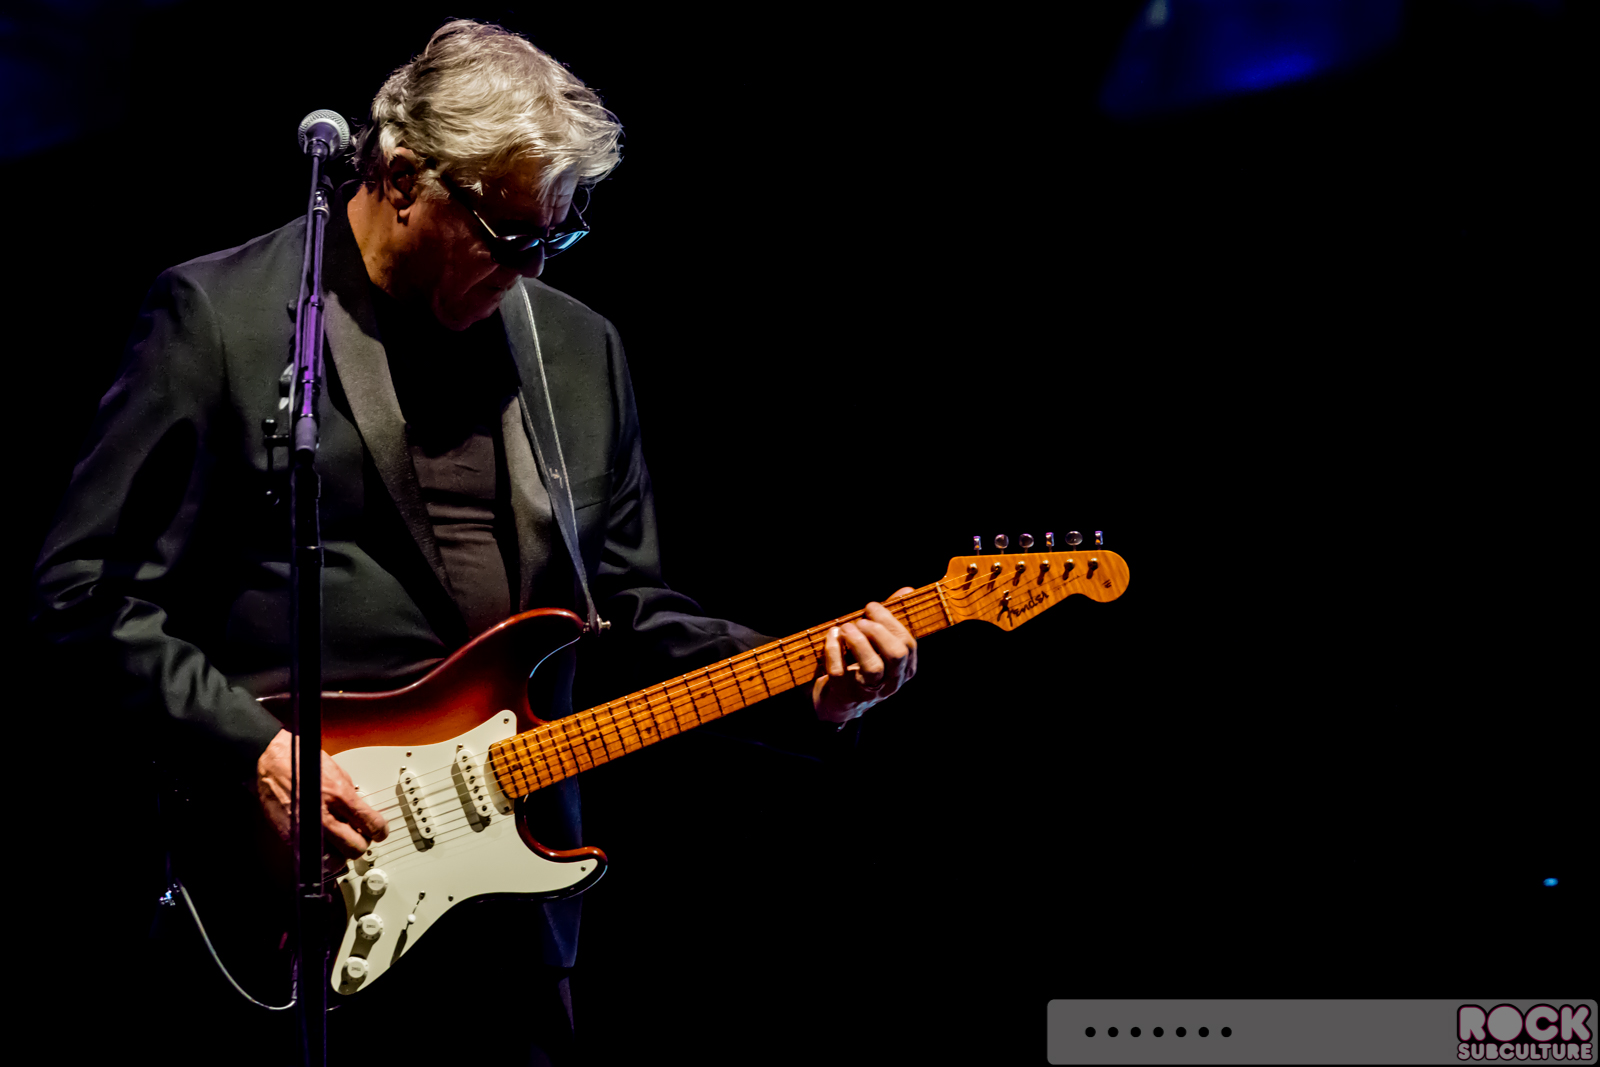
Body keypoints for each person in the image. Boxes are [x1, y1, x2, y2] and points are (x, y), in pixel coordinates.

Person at [29, 19, 916, 1065]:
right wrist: (252, 748)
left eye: (555, 239)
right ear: (404, 176)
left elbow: (626, 612)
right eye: (507, 236)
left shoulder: (579, 350)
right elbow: (85, 593)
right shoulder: (224, 317)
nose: (530, 268)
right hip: (287, 898)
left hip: (508, 921)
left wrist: (808, 685)